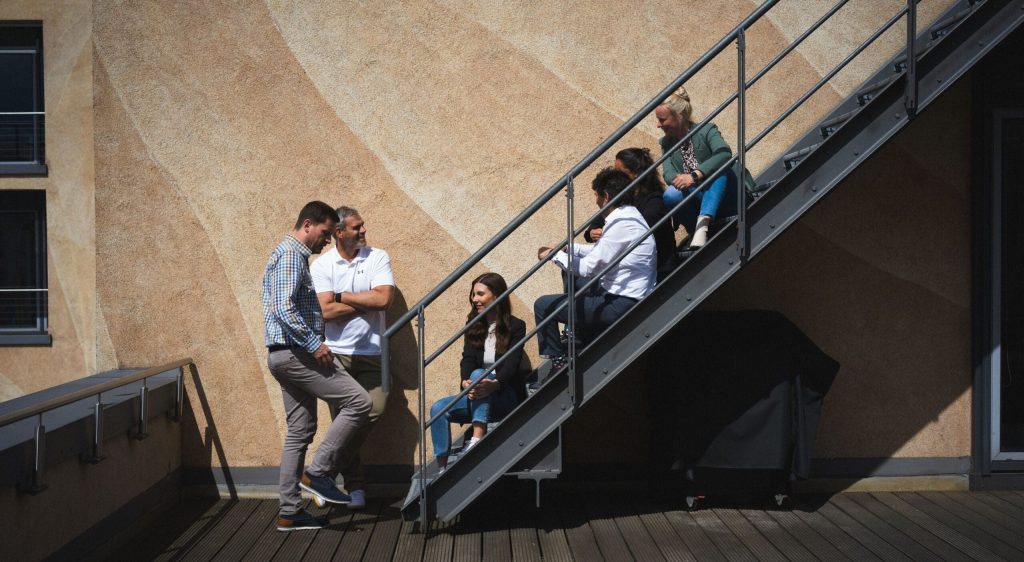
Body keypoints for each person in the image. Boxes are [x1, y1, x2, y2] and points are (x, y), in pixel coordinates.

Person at [262, 201, 372, 532]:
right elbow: (282, 306)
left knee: (299, 430)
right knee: (360, 401)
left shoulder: (289, 255)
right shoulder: (292, 255)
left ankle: (290, 512)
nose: (327, 240)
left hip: (282, 355)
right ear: (307, 225)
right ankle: (319, 472)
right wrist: (314, 343)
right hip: (297, 353)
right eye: (325, 233)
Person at [310, 206, 395, 510]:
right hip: (335, 355)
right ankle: (354, 485)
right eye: (357, 228)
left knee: (376, 407)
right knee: (344, 422)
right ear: (339, 232)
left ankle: (321, 473)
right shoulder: (322, 265)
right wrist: (366, 302)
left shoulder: (377, 257)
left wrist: (342, 296)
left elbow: (384, 299)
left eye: (363, 226)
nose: (363, 231)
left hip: (373, 352)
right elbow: (325, 311)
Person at [534, 168, 657, 362]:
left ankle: (557, 361)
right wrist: (568, 249)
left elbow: (588, 268)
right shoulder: (627, 217)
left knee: (543, 305)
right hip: (623, 293)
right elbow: (600, 252)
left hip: (621, 302)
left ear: (606, 196)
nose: (596, 202)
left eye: (597, 196)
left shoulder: (621, 223)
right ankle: (577, 329)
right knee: (571, 275)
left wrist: (554, 256)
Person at [429, 273, 526, 471]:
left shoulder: (516, 326)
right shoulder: (474, 324)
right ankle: (441, 468)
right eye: (473, 294)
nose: (475, 299)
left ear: (497, 295)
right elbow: (468, 359)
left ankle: (477, 437)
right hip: (479, 393)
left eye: (480, 294)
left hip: (504, 395)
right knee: (438, 408)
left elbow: (512, 364)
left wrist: (495, 383)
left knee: (478, 374)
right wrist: (465, 382)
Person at [655, 87, 754, 248]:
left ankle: (702, 226)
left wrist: (694, 176)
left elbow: (724, 153)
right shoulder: (667, 143)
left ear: (679, 116)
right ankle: (694, 229)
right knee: (671, 195)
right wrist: (680, 180)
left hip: (729, 196)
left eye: (662, 119)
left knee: (720, 169)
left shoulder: (706, 130)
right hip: (699, 197)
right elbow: (668, 173)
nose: (658, 125)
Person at [584, 148, 675, 280]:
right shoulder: (623, 196)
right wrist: (592, 232)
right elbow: (596, 223)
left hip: (652, 270)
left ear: (636, 173)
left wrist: (609, 233)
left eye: (621, 173)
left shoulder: (654, 202)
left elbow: (635, 234)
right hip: (627, 265)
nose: (616, 177)